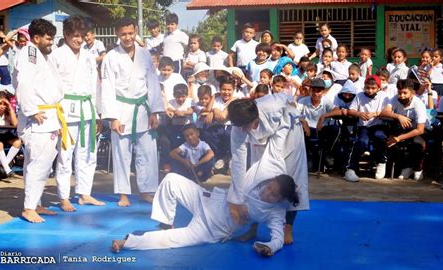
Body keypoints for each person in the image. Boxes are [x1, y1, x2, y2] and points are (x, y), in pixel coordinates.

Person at [112, 156, 299, 257]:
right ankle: (166, 221)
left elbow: (277, 238)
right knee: (171, 179)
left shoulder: (276, 212)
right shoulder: (257, 179)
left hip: (211, 228)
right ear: (270, 180)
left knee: (171, 240)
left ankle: (128, 242)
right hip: (206, 199)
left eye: (273, 194)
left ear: (281, 199)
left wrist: (269, 247)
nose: (267, 193)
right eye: (269, 187)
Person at [227, 93, 309, 245]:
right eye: (240, 127)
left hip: (290, 133)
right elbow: (238, 163)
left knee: (290, 180)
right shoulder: (238, 128)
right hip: (263, 141)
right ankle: (252, 227)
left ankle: (288, 228)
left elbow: (288, 98)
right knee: (254, 178)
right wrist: (238, 201)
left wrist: (297, 114)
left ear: (254, 118)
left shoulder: (273, 105)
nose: (243, 130)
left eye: (246, 126)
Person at [101, 18, 164, 206]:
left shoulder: (145, 54)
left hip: (143, 109)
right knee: (122, 154)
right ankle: (123, 194)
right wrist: (112, 117)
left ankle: (147, 190)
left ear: (136, 31)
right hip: (121, 108)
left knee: (147, 153)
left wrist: (155, 111)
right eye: (123, 34)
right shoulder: (111, 57)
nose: (127, 37)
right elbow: (107, 88)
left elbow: (152, 83)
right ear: (116, 34)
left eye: (130, 33)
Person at [13, 18, 68, 223]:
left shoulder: (38, 54)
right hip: (39, 117)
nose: (51, 43)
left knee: (38, 164)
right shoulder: (29, 54)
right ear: (35, 38)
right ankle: (29, 208)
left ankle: (35, 203)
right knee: (39, 164)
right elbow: (24, 84)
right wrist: (31, 110)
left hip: (49, 115)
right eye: (48, 39)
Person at [49, 15, 105, 212]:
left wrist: (98, 113)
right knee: (65, 155)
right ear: (65, 34)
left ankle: (84, 193)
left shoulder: (89, 56)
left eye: (82, 36)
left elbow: (94, 86)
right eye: (75, 36)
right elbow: (52, 87)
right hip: (66, 109)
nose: (79, 40)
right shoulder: (56, 56)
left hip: (87, 108)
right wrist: (56, 114)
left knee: (88, 153)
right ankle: (64, 196)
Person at [344, 75, 391, 182]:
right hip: (364, 126)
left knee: (379, 137)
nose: (370, 90)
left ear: (378, 88)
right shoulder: (359, 96)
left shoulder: (384, 96)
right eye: (368, 87)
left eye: (373, 88)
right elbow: (350, 110)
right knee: (361, 142)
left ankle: (381, 162)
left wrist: (375, 114)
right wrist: (359, 113)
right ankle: (351, 168)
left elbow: (388, 111)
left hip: (378, 124)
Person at [379, 79, 428, 181]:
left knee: (418, 143)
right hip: (403, 129)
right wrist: (399, 116)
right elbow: (384, 112)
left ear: (412, 93)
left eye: (405, 93)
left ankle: (418, 168)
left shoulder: (418, 104)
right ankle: (406, 167)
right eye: (399, 92)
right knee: (389, 140)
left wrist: (399, 138)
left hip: (421, 131)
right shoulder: (395, 99)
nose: (401, 96)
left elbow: (420, 130)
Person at [0, 92, 22, 179]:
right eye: (0, 104)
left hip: (7, 133)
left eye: (4, 104)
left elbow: (15, 123)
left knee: (18, 142)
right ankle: (7, 169)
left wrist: (10, 108)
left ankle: (3, 165)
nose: (2, 106)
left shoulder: (8, 112)